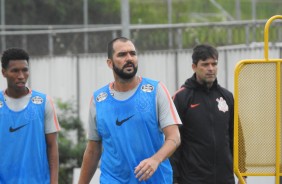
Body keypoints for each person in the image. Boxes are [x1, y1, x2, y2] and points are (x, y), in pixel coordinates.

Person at [78, 37, 182, 184]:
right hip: (113, 180)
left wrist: (155, 160)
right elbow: (93, 149)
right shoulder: (98, 100)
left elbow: (174, 137)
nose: (129, 58)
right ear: (110, 63)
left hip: (155, 180)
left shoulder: (156, 90)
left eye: (132, 54)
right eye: (122, 54)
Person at [170, 44, 246, 184]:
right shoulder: (181, 98)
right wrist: (174, 179)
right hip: (193, 179)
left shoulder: (227, 97)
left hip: (225, 179)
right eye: (205, 64)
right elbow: (173, 142)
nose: (210, 69)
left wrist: (243, 173)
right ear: (194, 67)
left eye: (214, 64)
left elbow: (237, 138)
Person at [0, 48, 60, 184]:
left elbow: (52, 146)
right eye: (15, 71)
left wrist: (54, 182)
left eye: (25, 70)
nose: (21, 75)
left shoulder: (44, 102)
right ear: (4, 72)